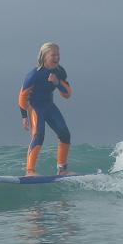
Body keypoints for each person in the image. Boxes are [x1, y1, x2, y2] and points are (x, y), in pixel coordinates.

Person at [18, 42, 73, 176]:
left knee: (65, 134)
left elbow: (67, 94)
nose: (57, 58)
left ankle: (62, 170)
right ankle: (30, 171)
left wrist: (57, 83)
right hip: (35, 107)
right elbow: (22, 96)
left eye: (58, 55)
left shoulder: (59, 72)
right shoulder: (34, 75)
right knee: (39, 135)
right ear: (44, 56)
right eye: (53, 55)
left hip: (49, 106)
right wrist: (24, 116)